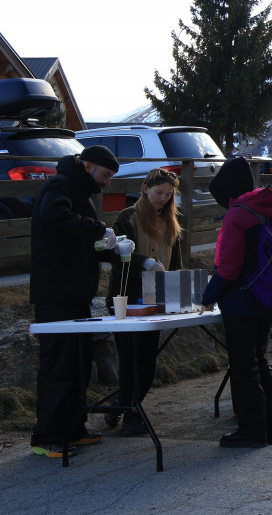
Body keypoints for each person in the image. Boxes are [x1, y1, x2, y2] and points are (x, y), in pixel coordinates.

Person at [29, 145, 122, 458]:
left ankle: (74, 428)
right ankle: (48, 436)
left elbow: (85, 240)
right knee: (59, 365)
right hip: (56, 295)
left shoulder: (81, 194)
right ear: (87, 166)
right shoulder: (59, 186)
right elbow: (55, 217)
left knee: (79, 364)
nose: (107, 182)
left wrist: (115, 251)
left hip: (76, 296)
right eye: (105, 174)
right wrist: (98, 228)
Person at [200, 157, 272, 448]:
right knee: (259, 362)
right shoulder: (268, 211)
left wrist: (208, 297)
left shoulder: (237, 215)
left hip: (241, 301)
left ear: (228, 190)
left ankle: (251, 431)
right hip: (266, 298)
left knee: (243, 366)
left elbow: (228, 266)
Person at [104, 168, 180, 435]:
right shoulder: (128, 217)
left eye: (168, 195)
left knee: (148, 361)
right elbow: (113, 252)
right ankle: (130, 411)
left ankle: (123, 405)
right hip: (127, 298)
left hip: (157, 298)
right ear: (145, 189)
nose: (163, 199)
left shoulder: (172, 220)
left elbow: (176, 262)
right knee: (130, 358)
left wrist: (176, 292)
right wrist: (142, 262)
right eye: (159, 193)